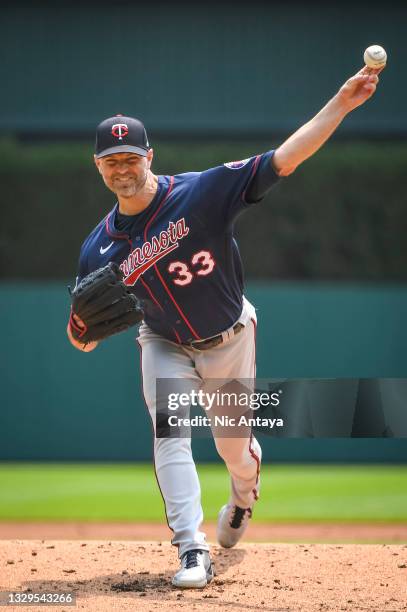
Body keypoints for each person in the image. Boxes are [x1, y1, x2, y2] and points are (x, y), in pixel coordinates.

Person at [67, 66, 382, 588]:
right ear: (98, 167)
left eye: (130, 158)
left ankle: (242, 496)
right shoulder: (96, 248)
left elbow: (286, 158)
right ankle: (191, 550)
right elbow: (83, 334)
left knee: (233, 445)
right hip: (163, 342)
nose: (121, 168)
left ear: (150, 157)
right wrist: (82, 332)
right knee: (169, 434)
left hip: (229, 339)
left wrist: (342, 104)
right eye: (110, 161)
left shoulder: (202, 193)